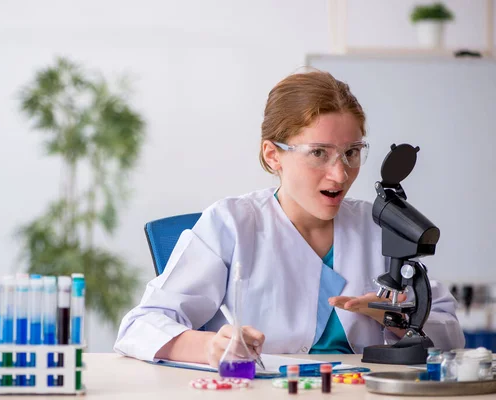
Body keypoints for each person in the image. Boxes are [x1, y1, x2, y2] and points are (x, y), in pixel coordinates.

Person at [114, 70, 465, 367]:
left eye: (352, 153)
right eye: (318, 153)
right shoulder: (232, 223)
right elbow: (141, 325)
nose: (340, 175)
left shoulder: (378, 226)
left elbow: (449, 330)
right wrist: (210, 347)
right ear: (273, 156)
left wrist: (395, 319)